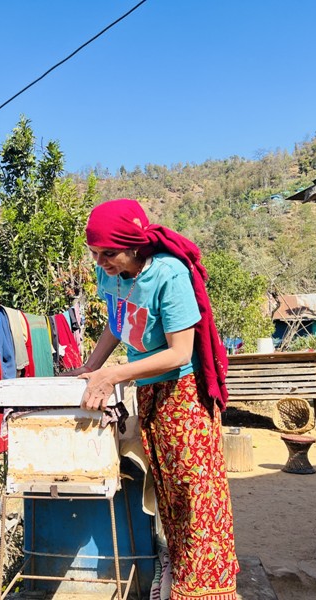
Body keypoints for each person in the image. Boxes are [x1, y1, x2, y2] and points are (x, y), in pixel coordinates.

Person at [66, 198, 239, 600]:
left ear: (134, 244)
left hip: (184, 393)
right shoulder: (109, 274)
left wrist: (113, 374)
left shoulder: (168, 274)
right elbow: (117, 324)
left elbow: (179, 352)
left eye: (108, 253)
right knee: (166, 488)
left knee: (196, 492)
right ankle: (181, 573)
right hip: (148, 390)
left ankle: (208, 588)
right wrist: (90, 367)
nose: (100, 262)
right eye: (94, 253)